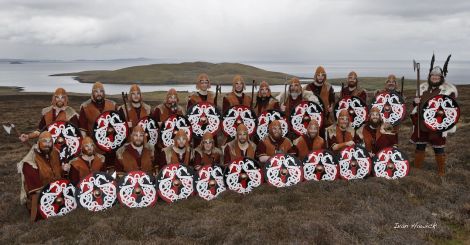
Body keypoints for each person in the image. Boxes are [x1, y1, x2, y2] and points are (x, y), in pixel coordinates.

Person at [410, 55, 457, 176]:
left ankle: (441, 172)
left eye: (437, 76)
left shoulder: (447, 91)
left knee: (438, 148)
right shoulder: (422, 88)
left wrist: (441, 113)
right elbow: (416, 105)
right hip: (421, 124)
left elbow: (451, 107)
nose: (435, 77)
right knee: (420, 147)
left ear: (441, 77)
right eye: (433, 75)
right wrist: (415, 101)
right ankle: (417, 169)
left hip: (437, 125)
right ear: (430, 76)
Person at [17, 131, 65, 221]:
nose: (47, 144)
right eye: (44, 141)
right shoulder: (30, 163)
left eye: (50, 141)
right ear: (38, 142)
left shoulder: (54, 153)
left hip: (57, 192)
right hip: (40, 197)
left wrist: (64, 169)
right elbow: (36, 193)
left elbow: (58, 173)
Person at [78, 82, 118, 171]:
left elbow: (119, 125)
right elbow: (83, 130)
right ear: (92, 93)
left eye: (101, 91)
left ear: (104, 93)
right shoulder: (85, 107)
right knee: (98, 170)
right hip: (95, 146)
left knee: (112, 170)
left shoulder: (112, 105)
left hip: (111, 144)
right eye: (96, 91)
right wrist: (85, 146)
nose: (99, 93)